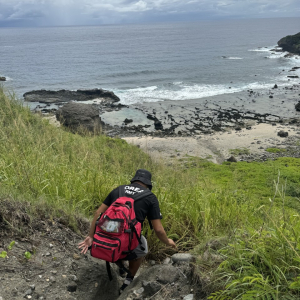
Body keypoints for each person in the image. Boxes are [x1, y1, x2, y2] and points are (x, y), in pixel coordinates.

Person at [78, 169, 176, 293]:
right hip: (125, 240)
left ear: (134, 180)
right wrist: (168, 241)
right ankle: (128, 281)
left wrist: (91, 237)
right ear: (148, 184)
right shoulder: (150, 197)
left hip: (107, 233)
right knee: (142, 245)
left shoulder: (118, 190)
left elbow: (98, 213)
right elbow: (158, 230)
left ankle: (119, 264)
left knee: (121, 231)